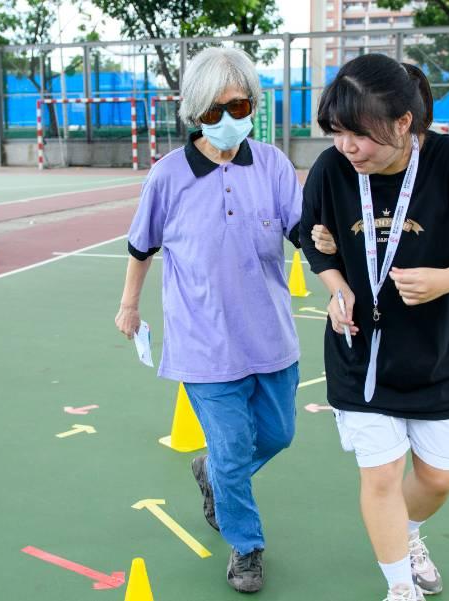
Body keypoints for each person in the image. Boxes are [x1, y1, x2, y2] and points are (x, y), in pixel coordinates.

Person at [299, 54, 449, 601]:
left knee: (437, 479)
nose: (347, 147)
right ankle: (400, 586)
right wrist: (335, 284)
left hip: (435, 351)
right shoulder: (334, 168)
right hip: (360, 354)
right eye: (336, 133)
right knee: (380, 476)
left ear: (402, 123)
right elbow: (310, 233)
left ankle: (409, 534)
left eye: (359, 135)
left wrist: (447, 279)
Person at [115, 47, 303, 594]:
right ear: (195, 115)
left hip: (271, 337)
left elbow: (304, 232)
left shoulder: (271, 165)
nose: (226, 120)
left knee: (278, 435)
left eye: (237, 105)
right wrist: (129, 305)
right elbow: (140, 245)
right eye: (212, 112)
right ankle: (246, 547)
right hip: (204, 346)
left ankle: (214, 478)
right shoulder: (168, 176)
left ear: (253, 105)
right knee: (229, 446)